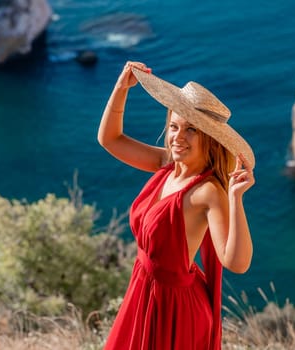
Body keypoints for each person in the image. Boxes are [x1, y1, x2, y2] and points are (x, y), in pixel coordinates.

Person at [97, 61, 256, 350]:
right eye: (173, 126)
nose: (178, 138)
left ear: (210, 139)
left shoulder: (207, 192)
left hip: (176, 310)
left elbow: (237, 263)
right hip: (142, 290)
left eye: (191, 130)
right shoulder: (166, 165)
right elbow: (110, 140)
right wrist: (121, 88)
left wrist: (235, 198)